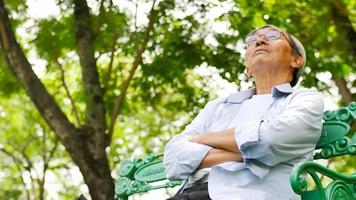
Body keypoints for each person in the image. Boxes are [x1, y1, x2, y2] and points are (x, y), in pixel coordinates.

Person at [163, 25, 324, 200]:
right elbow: (173, 160)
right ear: (248, 69)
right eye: (252, 40)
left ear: (296, 60)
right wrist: (252, 153)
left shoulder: (305, 99)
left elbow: (270, 139)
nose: (260, 40)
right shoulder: (218, 106)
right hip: (188, 194)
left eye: (273, 35)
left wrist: (204, 139)